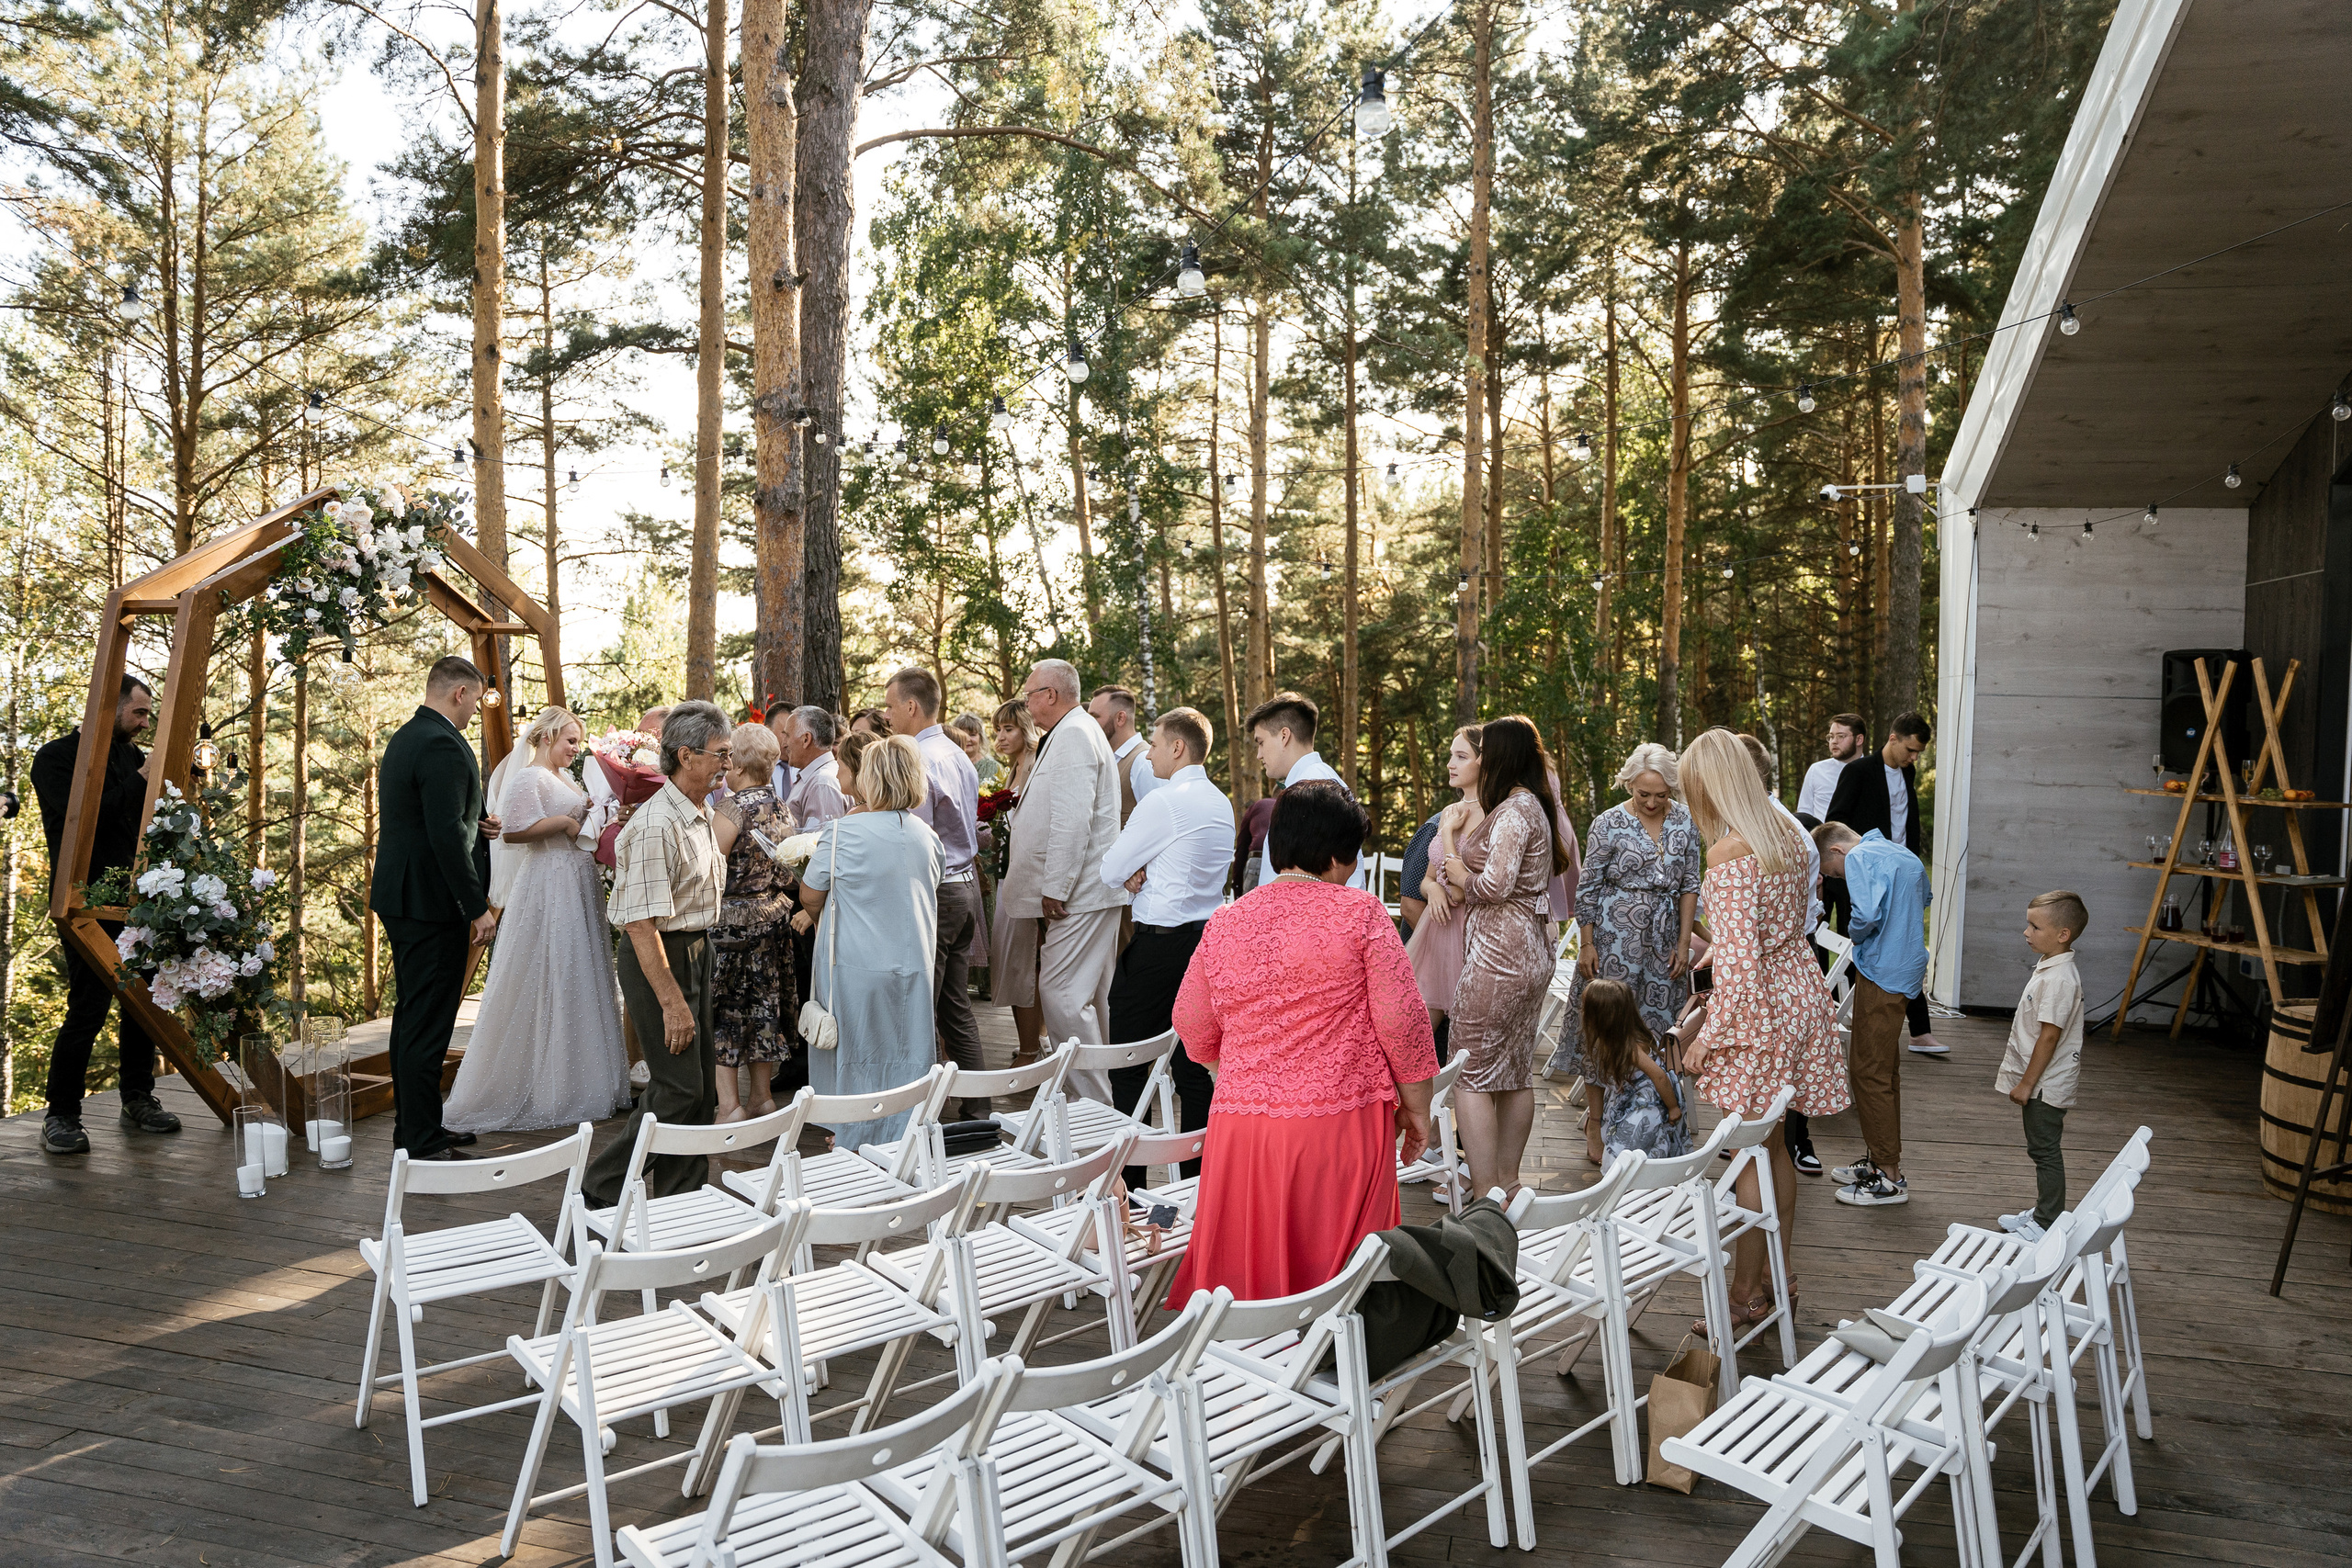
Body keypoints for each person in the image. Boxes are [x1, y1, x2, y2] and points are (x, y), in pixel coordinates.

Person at [1165, 781, 1438, 1304]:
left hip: (1241, 1133)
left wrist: (1236, 1068)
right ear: (1338, 855)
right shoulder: (1362, 916)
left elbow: (1191, 1021)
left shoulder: (1225, 922)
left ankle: (1248, 1367)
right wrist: (1418, 1107)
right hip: (1338, 1126)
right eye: (1354, 856)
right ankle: (1333, 1368)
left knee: (1245, 1290)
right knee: (1341, 1292)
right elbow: (1402, 1020)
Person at [1673, 728, 1845, 1329]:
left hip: (1761, 1012)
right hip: (1797, 996)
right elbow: (1778, 935)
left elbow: (1739, 971)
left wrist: (1704, 1038)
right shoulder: (1790, 841)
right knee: (1773, 1146)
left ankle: (1747, 1291)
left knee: (1748, 1150)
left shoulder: (1730, 853)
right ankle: (1779, 1276)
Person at [443, 705, 631, 1134]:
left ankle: (584, 1081)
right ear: (546, 736)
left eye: (578, 743)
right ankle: (550, 1087)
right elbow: (512, 832)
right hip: (549, 882)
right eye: (570, 742)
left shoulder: (565, 778)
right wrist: (564, 821)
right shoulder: (530, 777)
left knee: (581, 974)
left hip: (577, 878)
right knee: (554, 971)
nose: (575, 750)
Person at [582, 703, 733, 1206]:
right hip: (659, 958)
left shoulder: (700, 812)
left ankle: (680, 1200)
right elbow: (640, 924)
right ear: (685, 756)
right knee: (679, 1090)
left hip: (694, 950)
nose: (727, 764)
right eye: (720, 755)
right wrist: (672, 1002)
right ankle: (599, 1189)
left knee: (700, 1091)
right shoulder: (654, 824)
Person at [30, 675, 179, 1154]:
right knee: (89, 1008)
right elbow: (90, 819)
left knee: (142, 1002)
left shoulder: (133, 757)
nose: (144, 722)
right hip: (83, 901)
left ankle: (138, 1098)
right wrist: (141, 780)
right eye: (138, 713)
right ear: (108, 708)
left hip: (136, 900)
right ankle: (61, 1115)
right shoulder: (54, 759)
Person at [368, 656, 503, 1161]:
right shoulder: (444, 744)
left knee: (412, 1018)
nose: (475, 712)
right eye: (475, 700)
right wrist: (476, 908)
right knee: (428, 1022)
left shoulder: (409, 736)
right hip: (430, 902)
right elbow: (444, 834)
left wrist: (478, 824)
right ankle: (421, 1141)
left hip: (406, 896)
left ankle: (417, 1126)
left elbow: (437, 817)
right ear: (460, 694)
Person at [1548, 742, 1702, 1165]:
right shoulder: (1608, 822)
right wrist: (1588, 942)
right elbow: (1588, 888)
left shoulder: (1685, 820)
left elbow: (1691, 884)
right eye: (1643, 794)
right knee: (1606, 1030)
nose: (1652, 802)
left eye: (1661, 794)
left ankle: (1652, 1117)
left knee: (1656, 1030)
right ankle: (1596, 1124)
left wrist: (1685, 942)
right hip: (1614, 940)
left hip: (1665, 940)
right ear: (1629, 785)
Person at [1434, 715, 1567, 1199]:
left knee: (1468, 1071)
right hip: (1529, 947)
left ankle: (1486, 1187)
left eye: (1486, 750)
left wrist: (1451, 854)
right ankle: (1508, 1184)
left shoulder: (1514, 811)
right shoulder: (1533, 806)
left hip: (1501, 951)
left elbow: (1493, 885)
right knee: (1513, 1069)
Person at [1099, 707, 1231, 1183]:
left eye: (1155, 742)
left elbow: (1111, 870)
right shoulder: (1221, 802)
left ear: (1178, 747)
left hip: (1158, 950)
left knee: (1129, 1066)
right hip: (1206, 946)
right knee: (1195, 1069)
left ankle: (1129, 1190)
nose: (1149, 751)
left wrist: (1140, 870)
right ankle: (1198, 1186)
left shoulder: (1163, 801)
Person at [801, 734, 944, 1148]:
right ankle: (903, 1138)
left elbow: (810, 895)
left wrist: (822, 914)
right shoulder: (926, 835)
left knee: (856, 1055)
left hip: (855, 963)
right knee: (907, 1054)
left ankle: (852, 1137)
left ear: (871, 779)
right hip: (913, 961)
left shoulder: (842, 833)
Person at [999, 660, 1127, 1102]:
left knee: (1061, 996)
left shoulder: (1073, 734)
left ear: (1050, 695)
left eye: (1030, 692)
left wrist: (1056, 885)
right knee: (1089, 996)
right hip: (1088, 891)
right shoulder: (1075, 731)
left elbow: (1073, 820)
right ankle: (1100, 1099)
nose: (1027, 701)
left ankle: (1091, 1103)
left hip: (1079, 894)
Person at [884, 666, 988, 1119]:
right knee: (954, 1005)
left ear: (911, 706)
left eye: (889, 706)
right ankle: (979, 1104)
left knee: (920, 1005)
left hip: (938, 890)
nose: (886, 715)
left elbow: (917, 838)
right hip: (964, 888)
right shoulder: (957, 753)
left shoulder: (921, 759)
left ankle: (919, 1113)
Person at [1811, 818, 1930, 1209]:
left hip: (1882, 970)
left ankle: (1889, 1177)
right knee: (1885, 1069)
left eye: (1833, 874)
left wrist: (1856, 935)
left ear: (1837, 851)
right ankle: (1881, 1159)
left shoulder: (1860, 856)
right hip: (1907, 967)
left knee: (1867, 1072)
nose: (1838, 879)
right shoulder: (1900, 852)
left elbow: (1865, 915)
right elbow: (1924, 899)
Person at [1826, 711, 1944, 1055]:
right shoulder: (1859, 771)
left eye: (1918, 753)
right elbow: (1838, 819)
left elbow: (1906, 821)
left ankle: (1920, 1032)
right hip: (1865, 873)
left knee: (1904, 944)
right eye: (1910, 749)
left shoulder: (1908, 772)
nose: (1914, 757)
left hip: (1900, 871)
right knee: (1865, 945)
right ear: (1892, 738)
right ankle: (1856, 1023)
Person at [1740, 731, 1825, 1175]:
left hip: (1779, 962)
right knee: (1778, 1087)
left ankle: (1794, 1141)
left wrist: (1710, 1032)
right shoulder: (1774, 828)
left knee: (1775, 1088)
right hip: (1784, 960)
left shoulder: (1773, 834)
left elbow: (1797, 912)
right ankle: (1779, 1147)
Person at [707, 721, 797, 1122]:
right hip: (772, 917)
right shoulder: (781, 806)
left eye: (728, 757)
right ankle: (762, 1097)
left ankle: (730, 1107)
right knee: (763, 1006)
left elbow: (708, 865)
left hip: (731, 923)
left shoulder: (734, 807)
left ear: (738, 766)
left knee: (724, 1008)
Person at [1996, 891, 2089, 1243]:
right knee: (2041, 1147)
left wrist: (2025, 1084)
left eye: (2035, 926)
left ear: (2063, 934)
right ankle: (2042, 1211)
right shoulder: (2052, 968)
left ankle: (2048, 1221)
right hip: (2041, 1081)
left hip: (2045, 1085)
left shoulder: (2060, 979)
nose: (2026, 932)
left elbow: (2049, 1038)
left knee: (2045, 1149)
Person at [1405, 727, 1482, 1050]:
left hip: (1463, 938)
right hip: (1433, 936)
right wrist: (1432, 890)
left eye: (1461, 757)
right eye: (1451, 755)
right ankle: (1416, 1102)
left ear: (1483, 763)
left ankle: (1447, 1101)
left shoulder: (1489, 816)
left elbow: (1463, 891)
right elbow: (1427, 878)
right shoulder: (1449, 812)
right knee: (1411, 1037)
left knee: (1462, 1046)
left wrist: (1449, 832)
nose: (1451, 763)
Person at [1249, 693, 1364, 889]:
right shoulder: (1311, 782)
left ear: (1284, 736)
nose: (1259, 755)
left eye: (1261, 742)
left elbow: (1332, 871)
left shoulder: (1317, 789)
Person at [985, 699, 1046, 1061]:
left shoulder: (1037, 766)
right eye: (998, 730)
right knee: (1015, 962)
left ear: (1025, 728)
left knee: (1025, 965)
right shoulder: (1012, 769)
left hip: (1030, 880)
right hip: (1009, 874)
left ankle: (1030, 1047)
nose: (1001, 737)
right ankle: (1031, 1042)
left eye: (1008, 729)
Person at [1578, 976, 1688, 1161]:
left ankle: (1626, 1175)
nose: (1581, 1011)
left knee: (1628, 1146)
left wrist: (1673, 1107)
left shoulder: (1629, 1047)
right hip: (1630, 1093)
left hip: (1650, 1097)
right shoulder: (1612, 1040)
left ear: (1600, 1016)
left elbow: (1659, 1076)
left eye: (1585, 1008)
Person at [1088, 683, 1156, 818]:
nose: (1089, 723)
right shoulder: (1107, 758)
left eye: (1095, 717)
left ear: (1120, 718)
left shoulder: (1143, 761)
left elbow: (1159, 820)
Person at [783, 705, 852, 831]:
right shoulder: (817, 778)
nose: (784, 744)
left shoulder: (822, 783)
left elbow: (819, 843)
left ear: (806, 739)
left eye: (787, 736)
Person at [1796, 712, 1868, 824]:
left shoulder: (1872, 772)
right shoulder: (1817, 770)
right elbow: (1804, 814)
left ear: (1859, 739)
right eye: (1831, 736)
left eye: (1841, 736)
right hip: (1821, 838)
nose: (1834, 741)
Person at [1230, 795, 1275, 896]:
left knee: (1251, 908)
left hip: (1258, 858)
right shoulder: (1296, 809)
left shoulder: (1259, 805)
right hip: (1286, 864)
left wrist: (1237, 888)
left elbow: (1241, 849)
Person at [950, 712, 1001, 790]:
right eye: (962, 735)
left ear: (980, 738)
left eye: (972, 735)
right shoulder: (948, 765)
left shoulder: (993, 767)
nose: (967, 739)